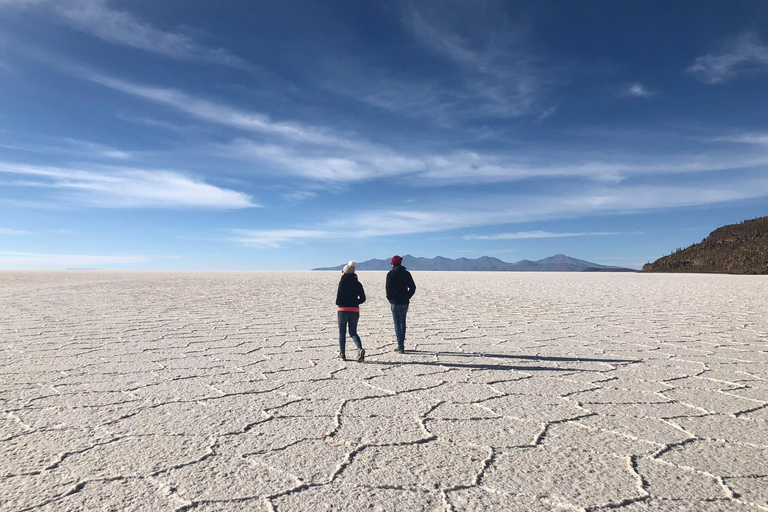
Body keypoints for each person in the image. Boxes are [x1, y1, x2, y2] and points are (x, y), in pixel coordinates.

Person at [336, 260, 366, 362]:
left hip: (343, 310)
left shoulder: (342, 282)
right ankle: (359, 348)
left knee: (342, 332)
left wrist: (342, 302)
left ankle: (342, 354)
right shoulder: (358, 283)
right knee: (353, 332)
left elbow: (338, 298)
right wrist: (355, 301)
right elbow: (363, 298)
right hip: (354, 310)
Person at [386, 255, 416, 353]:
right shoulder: (406, 273)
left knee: (397, 323)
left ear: (393, 264)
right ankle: (401, 345)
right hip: (404, 302)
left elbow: (388, 289)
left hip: (395, 303)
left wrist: (391, 298)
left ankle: (400, 346)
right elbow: (413, 287)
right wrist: (407, 296)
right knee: (403, 322)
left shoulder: (391, 274)